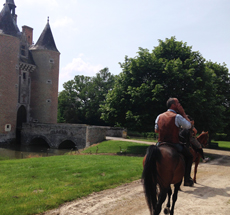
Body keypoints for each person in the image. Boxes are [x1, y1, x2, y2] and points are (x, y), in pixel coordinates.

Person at [155, 98, 194, 186]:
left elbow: (156, 130)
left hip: (160, 143)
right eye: (178, 103)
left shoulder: (159, 116)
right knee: (189, 156)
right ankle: (187, 179)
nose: (180, 105)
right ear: (173, 105)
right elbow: (188, 126)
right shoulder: (177, 116)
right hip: (174, 143)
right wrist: (183, 113)